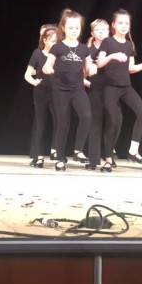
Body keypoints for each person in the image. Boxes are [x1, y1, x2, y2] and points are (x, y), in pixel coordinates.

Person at [98, 9, 142, 172]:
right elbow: (99, 63)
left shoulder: (129, 45)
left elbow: (131, 68)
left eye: (127, 23)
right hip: (110, 87)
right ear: (113, 25)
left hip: (125, 86)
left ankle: (133, 151)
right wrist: (112, 56)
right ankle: (108, 160)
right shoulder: (107, 42)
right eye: (120, 23)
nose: (124, 26)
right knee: (112, 121)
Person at [42, 10, 96, 171]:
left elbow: (89, 66)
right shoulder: (57, 47)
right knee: (63, 123)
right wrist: (47, 68)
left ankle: (78, 150)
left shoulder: (84, 49)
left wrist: (92, 68)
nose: (74, 31)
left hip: (78, 89)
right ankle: (60, 158)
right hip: (60, 90)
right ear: (63, 28)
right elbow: (47, 64)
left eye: (77, 28)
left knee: (87, 116)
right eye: (71, 28)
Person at [23, 24, 59, 168]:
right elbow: (27, 74)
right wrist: (34, 81)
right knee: (41, 124)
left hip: (57, 93)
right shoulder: (37, 54)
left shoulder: (59, 56)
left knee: (60, 121)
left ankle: (55, 150)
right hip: (41, 93)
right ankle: (38, 156)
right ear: (44, 40)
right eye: (52, 41)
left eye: (57, 41)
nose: (55, 44)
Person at [80, 19, 110, 167]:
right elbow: (82, 75)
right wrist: (90, 80)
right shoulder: (89, 51)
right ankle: (93, 160)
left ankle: (109, 157)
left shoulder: (112, 49)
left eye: (104, 30)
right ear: (92, 33)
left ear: (109, 31)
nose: (101, 32)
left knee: (113, 122)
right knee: (95, 124)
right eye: (98, 30)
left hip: (112, 89)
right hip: (95, 89)